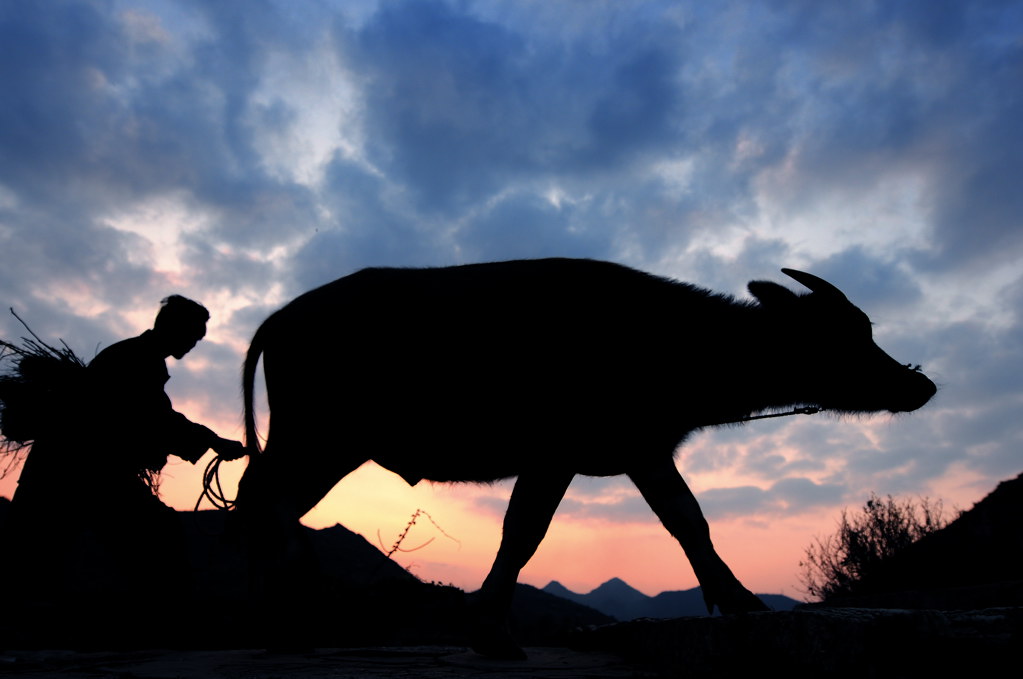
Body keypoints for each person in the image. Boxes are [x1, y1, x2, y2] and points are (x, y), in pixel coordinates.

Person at [8, 295, 245, 623]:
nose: (196, 342)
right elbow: (156, 417)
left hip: (72, 471)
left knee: (38, 553)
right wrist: (214, 441)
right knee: (155, 536)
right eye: (194, 334)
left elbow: (155, 417)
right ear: (172, 327)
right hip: (81, 472)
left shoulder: (137, 356)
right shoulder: (136, 359)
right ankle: (160, 624)